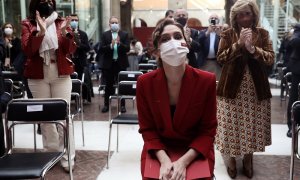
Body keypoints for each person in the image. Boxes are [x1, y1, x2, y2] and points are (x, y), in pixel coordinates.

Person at [137, 19, 217, 180]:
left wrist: (183, 162)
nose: (172, 42)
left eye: (177, 36)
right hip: (159, 148)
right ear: (157, 51)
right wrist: (165, 160)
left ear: (186, 44)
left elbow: (208, 130)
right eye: (165, 39)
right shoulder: (145, 83)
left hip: (195, 149)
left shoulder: (206, 81)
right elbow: (148, 129)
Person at [215, 0, 274, 178]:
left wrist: (252, 49)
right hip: (231, 87)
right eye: (240, 14)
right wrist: (238, 45)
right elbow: (220, 58)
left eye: (247, 13)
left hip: (256, 88)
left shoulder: (262, 33)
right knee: (231, 123)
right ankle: (231, 158)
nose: (244, 18)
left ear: (253, 14)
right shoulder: (227, 34)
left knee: (252, 124)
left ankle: (248, 157)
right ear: (234, 16)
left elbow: (270, 58)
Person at [21, 0, 77, 172]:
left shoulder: (60, 21)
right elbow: (27, 50)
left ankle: (68, 156)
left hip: (60, 72)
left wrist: (66, 33)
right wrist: (41, 31)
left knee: (63, 115)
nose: (47, 3)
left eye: (49, 0)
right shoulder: (28, 24)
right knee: (45, 117)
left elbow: (71, 49)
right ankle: (51, 155)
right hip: (38, 74)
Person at [99, 16, 130, 113]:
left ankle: (122, 105)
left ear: (119, 23)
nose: (114, 24)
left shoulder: (124, 34)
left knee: (122, 85)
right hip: (109, 64)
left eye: (116, 22)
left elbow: (127, 48)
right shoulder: (105, 35)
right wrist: (111, 45)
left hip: (121, 64)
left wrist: (119, 43)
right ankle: (106, 105)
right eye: (112, 23)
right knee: (108, 86)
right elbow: (102, 49)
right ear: (109, 24)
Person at [69, 14, 94, 102]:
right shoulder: (65, 33)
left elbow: (87, 47)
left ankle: (78, 100)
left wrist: (78, 44)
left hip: (80, 62)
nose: (74, 22)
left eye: (76, 20)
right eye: (72, 20)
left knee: (79, 81)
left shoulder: (82, 34)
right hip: (68, 62)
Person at [198, 13, 222, 80]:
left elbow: (225, 45)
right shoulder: (203, 32)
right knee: (204, 82)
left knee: (216, 82)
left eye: (215, 18)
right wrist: (207, 32)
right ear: (209, 20)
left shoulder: (221, 33)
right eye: (212, 18)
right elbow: (198, 43)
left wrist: (220, 35)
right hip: (204, 62)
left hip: (217, 63)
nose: (213, 19)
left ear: (218, 21)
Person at [286, 23, 300, 138]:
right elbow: (294, 41)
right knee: (294, 97)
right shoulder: (298, 29)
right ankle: (291, 126)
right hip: (298, 70)